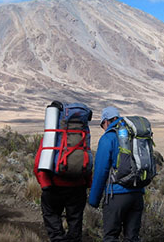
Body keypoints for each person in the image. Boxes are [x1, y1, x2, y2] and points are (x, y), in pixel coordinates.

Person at [34, 102, 92, 242]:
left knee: (51, 215)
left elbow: (38, 163)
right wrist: (87, 183)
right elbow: (87, 158)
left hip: (54, 185)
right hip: (78, 186)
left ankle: (58, 239)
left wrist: (45, 184)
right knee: (75, 221)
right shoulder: (82, 135)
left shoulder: (53, 136)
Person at [88, 106, 144, 242]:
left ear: (106, 121)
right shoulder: (133, 135)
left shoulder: (108, 138)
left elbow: (101, 172)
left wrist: (93, 200)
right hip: (137, 194)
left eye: (102, 125)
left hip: (116, 196)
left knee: (111, 237)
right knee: (132, 238)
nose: (103, 128)